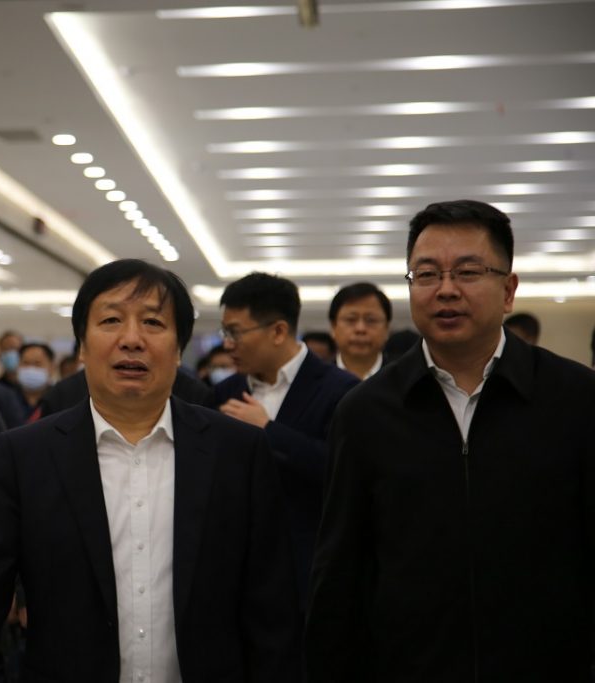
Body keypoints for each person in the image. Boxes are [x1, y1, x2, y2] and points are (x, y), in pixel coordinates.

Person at [0, 258, 301, 683]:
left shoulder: (238, 451)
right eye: (110, 320)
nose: (132, 339)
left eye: (153, 323)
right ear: (82, 345)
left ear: (179, 348)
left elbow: (272, 609)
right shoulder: (24, 455)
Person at [307, 199, 595, 682]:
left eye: (467, 272)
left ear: (509, 290)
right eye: (426, 274)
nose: (445, 290)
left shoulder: (575, 398)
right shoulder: (365, 412)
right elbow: (341, 570)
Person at [215, 273, 358, 608]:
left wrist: (268, 430)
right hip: (235, 571)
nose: (228, 344)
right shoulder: (224, 392)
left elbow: (343, 473)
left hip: (309, 570)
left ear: (278, 331)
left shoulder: (341, 390)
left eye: (235, 332)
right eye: (225, 333)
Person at [328, 282, 392, 380]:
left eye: (371, 320)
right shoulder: (313, 381)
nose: (360, 329)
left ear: (387, 328)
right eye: (351, 319)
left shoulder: (406, 380)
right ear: (333, 327)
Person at [16, 342, 55, 413]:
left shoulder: (59, 398)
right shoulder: (8, 398)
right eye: (26, 363)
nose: (31, 369)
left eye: (38, 363)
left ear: (51, 367)